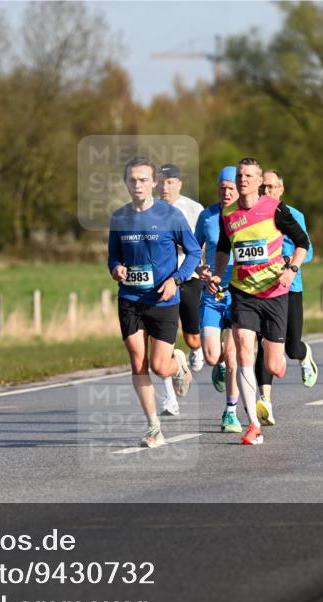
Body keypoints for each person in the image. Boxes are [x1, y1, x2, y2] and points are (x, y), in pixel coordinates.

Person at [208, 158, 310, 446]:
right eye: (240, 175)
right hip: (243, 293)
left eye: (248, 175)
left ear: (257, 180)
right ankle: (253, 424)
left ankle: (276, 351)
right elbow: (223, 248)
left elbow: (302, 242)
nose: (242, 180)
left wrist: (291, 270)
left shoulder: (275, 208)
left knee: (276, 364)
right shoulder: (227, 213)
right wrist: (217, 275)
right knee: (242, 351)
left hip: (275, 292)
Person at [108, 156, 201, 448]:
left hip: (162, 299)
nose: (138, 184)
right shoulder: (119, 217)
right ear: (126, 182)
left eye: (143, 179)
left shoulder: (170, 215)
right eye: (133, 180)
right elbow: (113, 255)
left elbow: (194, 252)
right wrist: (115, 268)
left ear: (153, 183)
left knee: (160, 367)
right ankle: (153, 427)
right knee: (138, 362)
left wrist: (176, 279)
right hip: (130, 298)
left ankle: (178, 365)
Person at [253, 170, 318, 426]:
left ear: (281, 189)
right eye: (263, 187)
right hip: (261, 289)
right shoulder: (252, 216)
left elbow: (309, 251)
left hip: (290, 288)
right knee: (264, 344)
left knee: (290, 348)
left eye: (272, 187)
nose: (267, 192)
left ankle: (304, 355)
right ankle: (265, 401)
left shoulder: (294, 215)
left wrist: (288, 262)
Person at [194, 166, 243, 433]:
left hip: (239, 293)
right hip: (212, 294)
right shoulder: (207, 216)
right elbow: (193, 248)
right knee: (213, 357)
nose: (225, 192)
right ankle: (220, 365)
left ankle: (231, 412)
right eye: (222, 188)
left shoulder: (245, 216)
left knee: (235, 356)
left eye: (230, 188)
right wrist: (200, 268)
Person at [155, 163, 205, 416]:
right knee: (163, 342)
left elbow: (202, 245)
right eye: (161, 182)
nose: (165, 187)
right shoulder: (148, 209)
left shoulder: (194, 210)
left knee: (191, 336)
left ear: (179, 183)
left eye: (170, 182)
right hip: (161, 283)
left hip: (189, 277)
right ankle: (169, 400)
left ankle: (195, 351)